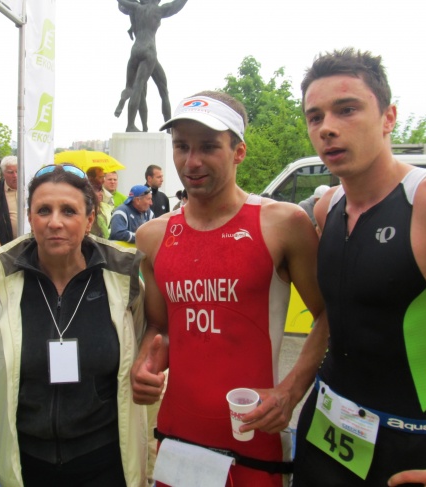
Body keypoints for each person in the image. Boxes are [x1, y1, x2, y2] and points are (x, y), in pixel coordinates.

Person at [293, 48, 426, 486]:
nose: (327, 127)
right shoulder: (328, 207)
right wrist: (290, 389)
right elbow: (335, 315)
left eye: (347, 109)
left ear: (388, 117)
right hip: (321, 432)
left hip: (408, 450)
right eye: (315, 117)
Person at [131, 91, 328, 486]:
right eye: (182, 146)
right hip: (178, 437)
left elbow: (328, 315)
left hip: (254, 439)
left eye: (208, 147)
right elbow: (160, 327)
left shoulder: (282, 224)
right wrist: (145, 367)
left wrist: (290, 391)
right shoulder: (152, 235)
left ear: (239, 152)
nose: (192, 161)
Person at [0, 163, 147, 486]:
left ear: (89, 220)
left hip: (104, 462)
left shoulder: (122, 281)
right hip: (26, 464)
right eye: (44, 210)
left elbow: (140, 347)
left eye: (68, 211)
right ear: (30, 217)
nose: (54, 222)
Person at [114, 0, 188, 132]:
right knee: (159, 91)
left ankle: (125, 104)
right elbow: (176, 6)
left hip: (135, 50)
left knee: (131, 87)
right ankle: (164, 129)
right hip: (149, 51)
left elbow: (122, 4)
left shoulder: (136, 8)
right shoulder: (158, 10)